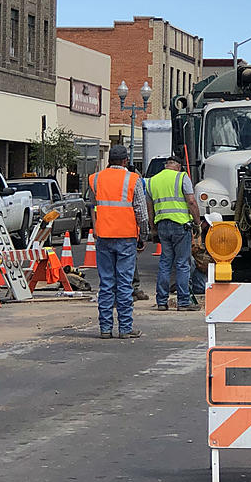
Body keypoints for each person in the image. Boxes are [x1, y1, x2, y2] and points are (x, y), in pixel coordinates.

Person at [86, 145, 149, 339]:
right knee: (124, 283)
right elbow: (141, 211)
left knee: (106, 283)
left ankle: (105, 329)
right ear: (125, 161)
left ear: (109, 161)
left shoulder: (95, 178)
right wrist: (143, 235)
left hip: (104, 237)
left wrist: (96, 229)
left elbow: (92, 206)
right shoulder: (132, 179)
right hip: (126, 237)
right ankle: (125, 328)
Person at [146, 154, 202, 311]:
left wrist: (153, 227)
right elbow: (191, 201)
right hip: (181, 225)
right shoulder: (182, 177)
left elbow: (149, 207)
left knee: (165, 263)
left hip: (162, 225)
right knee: (182, 264)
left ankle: (162, 301)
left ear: (166, 165)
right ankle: (183, 302)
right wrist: (197, 222)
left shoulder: (152, 181)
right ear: (178, 166)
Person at [190, 212, 222, 303]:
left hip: (202, 267)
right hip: (195, 263)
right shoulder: (195, 233)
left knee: (202, 288)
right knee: (189, 262)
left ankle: (184, 285)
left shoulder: (215, 237)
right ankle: (184, 284)